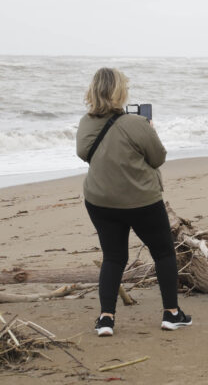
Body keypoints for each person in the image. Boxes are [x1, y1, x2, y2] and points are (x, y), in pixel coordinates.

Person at [76, 67, 191, 337]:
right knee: (163, 252)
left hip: (100, 200)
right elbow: (158, 157)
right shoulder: (136, 124)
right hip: (141, 200)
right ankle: (171, 314)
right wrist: (149, 129)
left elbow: (84, 153)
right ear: (120, 92)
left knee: (113, 257)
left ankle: (106, 319)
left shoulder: (86, 122)